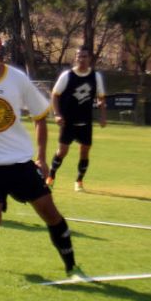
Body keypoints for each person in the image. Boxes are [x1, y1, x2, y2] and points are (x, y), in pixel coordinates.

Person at [0, 20, 86, 279]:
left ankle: (72, 267)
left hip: (20, 163)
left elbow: (40, 116)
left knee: (50, 212)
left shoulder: (18, 79)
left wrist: (42, 158)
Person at [46, 46, 107, 192]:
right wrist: (57, 114)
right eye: (79, 56)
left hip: (85, 121)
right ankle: (51, 176)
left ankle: (79, 181)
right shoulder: (67, 75)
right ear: (75, 58)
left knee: (85, 151)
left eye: (84, 56)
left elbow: (101, 97)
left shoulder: (95, 77)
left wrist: (103, 115)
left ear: (89, 59)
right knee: (62, 151)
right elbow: (55, 95)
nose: (81, 59)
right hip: (68, 121)